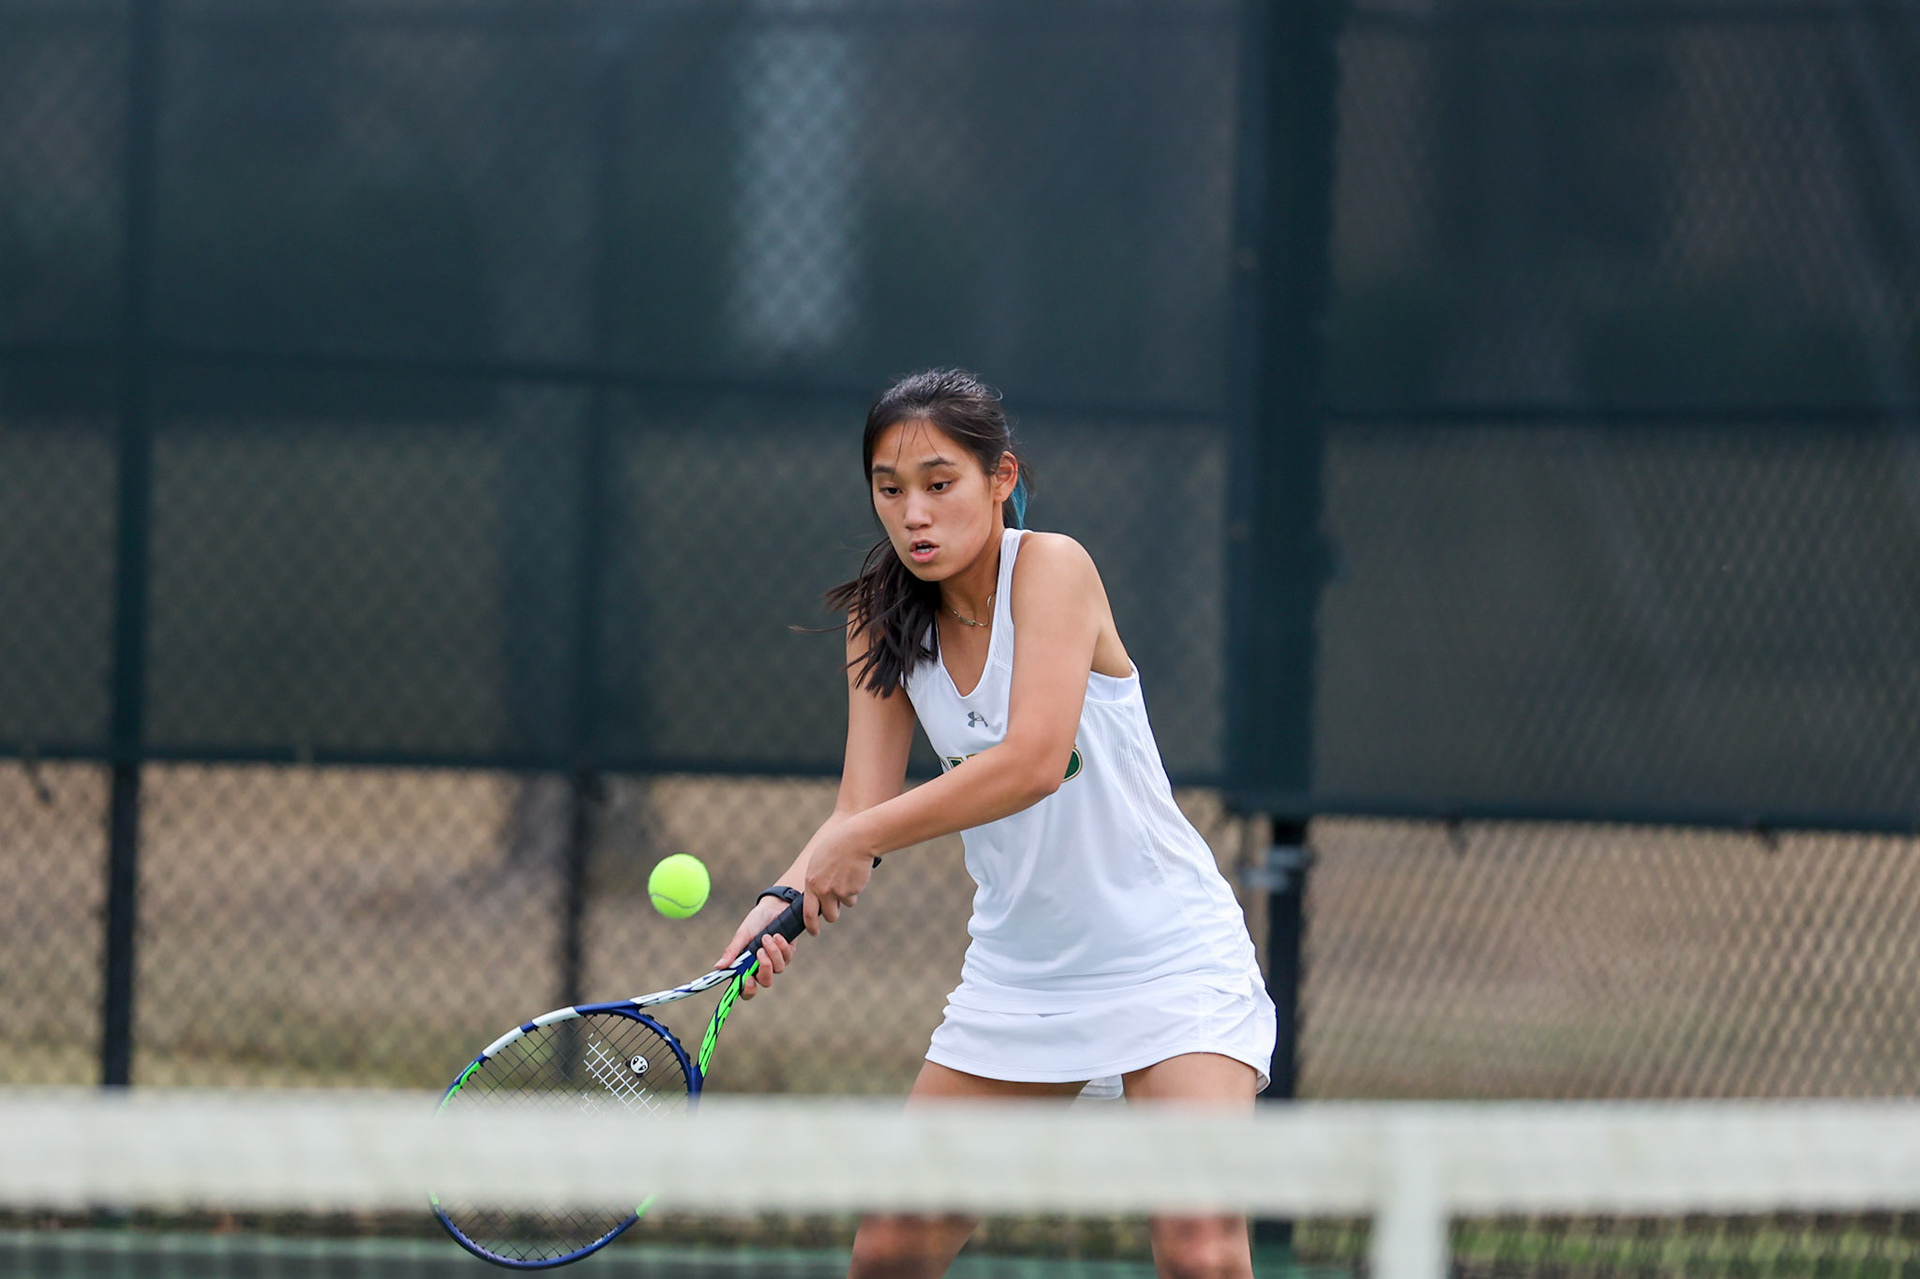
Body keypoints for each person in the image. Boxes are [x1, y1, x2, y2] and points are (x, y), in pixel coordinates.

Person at [719, 368, 1275, 1279]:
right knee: (892, 1247)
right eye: (890, 490)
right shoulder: (879, 618)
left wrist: (857, 840)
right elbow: (861, 806)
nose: (915, 515)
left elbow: (1033, 762)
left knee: (1201, 1249)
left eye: (940, 484)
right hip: (1022, 973)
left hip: (1170, 957)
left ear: (1000, 478)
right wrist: (787, 893)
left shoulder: (1053, 567)